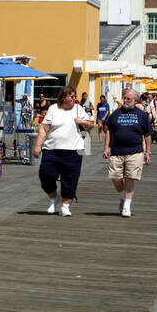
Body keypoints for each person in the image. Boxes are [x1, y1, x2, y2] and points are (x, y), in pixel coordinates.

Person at [33, 87, 94, 216]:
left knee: (70, 178)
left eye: (75, 96)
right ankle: (54, 197)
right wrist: (38, 146)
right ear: (63, 97)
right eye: (71, 96)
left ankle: (65, 205)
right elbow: (44, 128)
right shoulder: (53, 109)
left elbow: (90, 125)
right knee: (45, 175)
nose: (74, 99)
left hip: (73, 149)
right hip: (51, 149)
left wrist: (82, 121)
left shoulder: (78, 109)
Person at [103, 89, 151, 217]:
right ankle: (122, 196)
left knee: (130, 177)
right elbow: (108, 130)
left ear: (135, 100)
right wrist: (106, 147)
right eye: (124, 98)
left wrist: (148, 152)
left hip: (135, 151)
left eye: (128, 99)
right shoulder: (116, 113)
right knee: (115, 177)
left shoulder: (141, 115)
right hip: (116, 151)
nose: (125, 101)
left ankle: (127, 206)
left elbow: (147, 135)